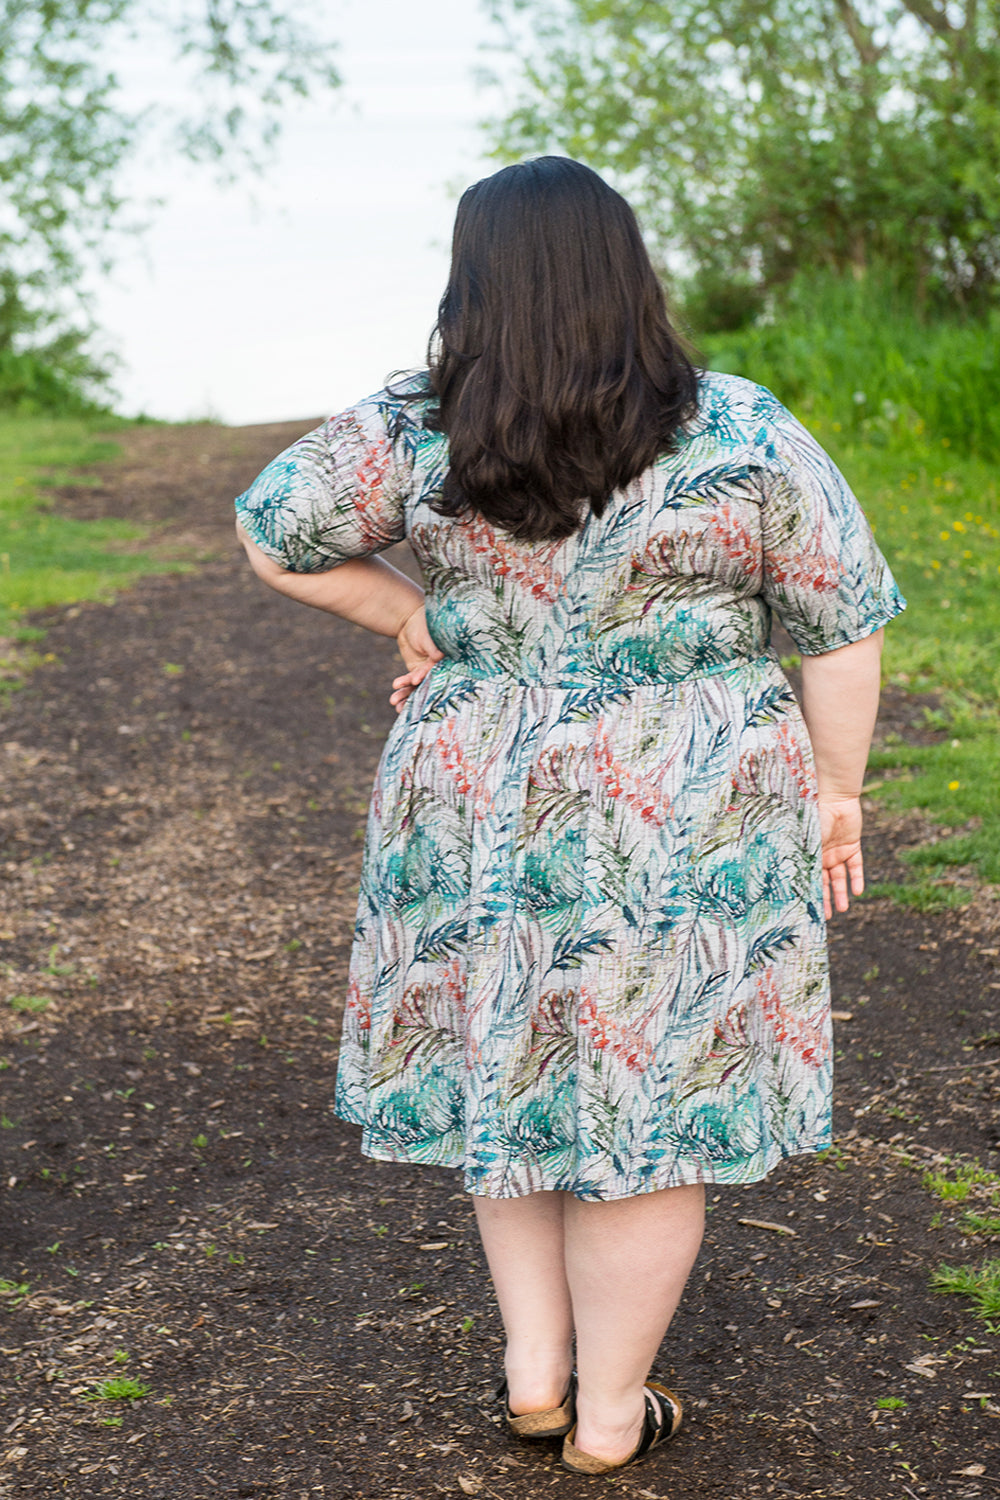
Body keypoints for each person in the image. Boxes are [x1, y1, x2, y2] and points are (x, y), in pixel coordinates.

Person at [234, 156, 904, 1477]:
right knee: (659, 1101)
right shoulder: (742, 430)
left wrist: (413, 611)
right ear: (628, 270)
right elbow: (842, 628)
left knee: (515, 1060)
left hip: (478, 783)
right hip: (693, 798)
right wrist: (836, 795)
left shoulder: (423, 425)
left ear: (474, 279)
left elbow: (273, 534)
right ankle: (606, 1416)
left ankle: (536, 1376)